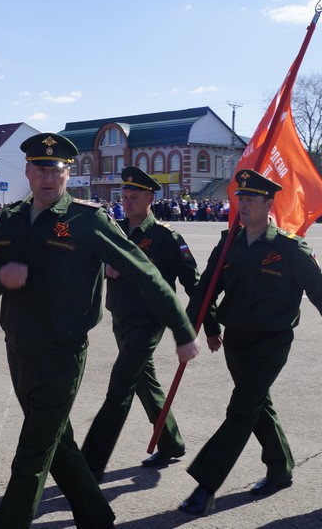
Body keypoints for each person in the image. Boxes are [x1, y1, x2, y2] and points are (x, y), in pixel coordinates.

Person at [0, 133, 199, 529]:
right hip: (19, 349)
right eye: (39, 168)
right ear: (27, 171)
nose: (46, 177)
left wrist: (183, 330)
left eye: (55, 170)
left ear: (67, 175)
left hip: (62, 353)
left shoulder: (87, 221)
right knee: (57, 443)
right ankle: (96, 515)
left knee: (32, 454)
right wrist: (0, 276)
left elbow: (147, 274)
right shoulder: (10, 219)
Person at [178, 169, 322, 516]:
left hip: (271, 343)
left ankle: (206, 486)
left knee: (241, 409)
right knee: (257, 406)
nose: (242, 205)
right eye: (239, 199)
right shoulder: (229, 242)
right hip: (237, 340)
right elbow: (206, 291)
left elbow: (321, 295)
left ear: (268, 202)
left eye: (250, 199)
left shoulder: (290, 249)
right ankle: (280, 469)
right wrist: (202, 328)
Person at [80, 167, 202, 479]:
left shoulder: (165, 236)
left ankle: (89, 464)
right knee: (144, 384)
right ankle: (171, 442)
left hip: (149, 321)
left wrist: (204, 321)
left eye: (135, 195)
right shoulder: (115, 230)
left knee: (120, 385)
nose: (128, 200)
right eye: (125, 195)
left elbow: (193, 280)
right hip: (120, 316)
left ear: (150, 197)